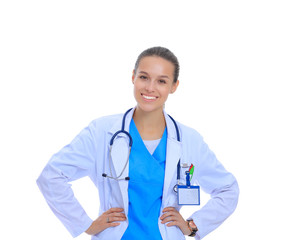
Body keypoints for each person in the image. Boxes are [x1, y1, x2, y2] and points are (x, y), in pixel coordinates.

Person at [37, 46, 239, 239]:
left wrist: (193, 227)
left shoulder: (189, 140)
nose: (150, 88)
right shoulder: (101, 132)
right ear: (133, 77)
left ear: (174, 86)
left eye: (161, 81)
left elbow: (228, 190)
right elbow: (52, 175)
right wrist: (85, 224)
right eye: (144, 77)